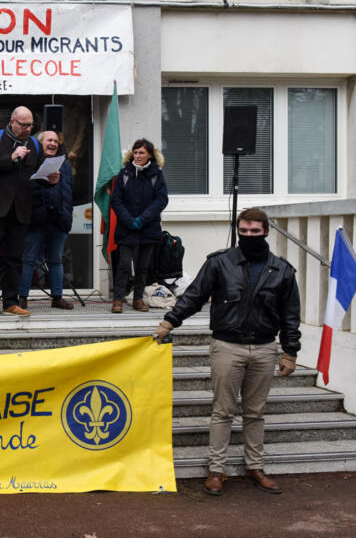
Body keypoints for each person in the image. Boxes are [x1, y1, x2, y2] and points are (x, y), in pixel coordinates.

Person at [153, 208, 299, 497]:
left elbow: (290, 315)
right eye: (243, 231)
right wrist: (170, 321)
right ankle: (216, 470)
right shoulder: (220, 262)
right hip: (227, 346)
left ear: (266, 232)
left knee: (255, 413)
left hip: (264, 348)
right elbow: (194, 295)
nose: (248, 236)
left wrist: (290, 351)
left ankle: (254, 467)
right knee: (222, 411)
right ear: (238, 231)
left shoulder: (282, 270)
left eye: (254, 232)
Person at [0, 107, 43, 317]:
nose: (28, 129)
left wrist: (49, 179)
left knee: (13, 258)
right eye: (24, 125)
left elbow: (36, 174)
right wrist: (11, 158)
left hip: (20, 210)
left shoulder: (34, 144)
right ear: (13, 121)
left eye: (31, 125)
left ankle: (10, 302)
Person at [110, 138, 168, 313]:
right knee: (124, 265)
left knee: (143, 267)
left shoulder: (156, 174)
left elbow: (161, 200)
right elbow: (116, 200)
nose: (138, 155)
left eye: (142, 152)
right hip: (126, 228)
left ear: (150, 154)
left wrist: (143, 219)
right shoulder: (124, 174)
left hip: (148, 228)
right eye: (135, 152)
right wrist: (129, 220)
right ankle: (118, 300)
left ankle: (138, 299)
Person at [17, 130, 74, 310]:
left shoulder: (64, 165)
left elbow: (67, 193)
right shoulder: (31, 162)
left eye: (56, 141)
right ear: (40, 143)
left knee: (56, 260)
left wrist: (66, 215)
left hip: (58, 221)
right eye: (49, 140)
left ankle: (57, 298)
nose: (53, 144)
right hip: (36, 220)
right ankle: (22, 298)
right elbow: (24, 188)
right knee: (28, 260)